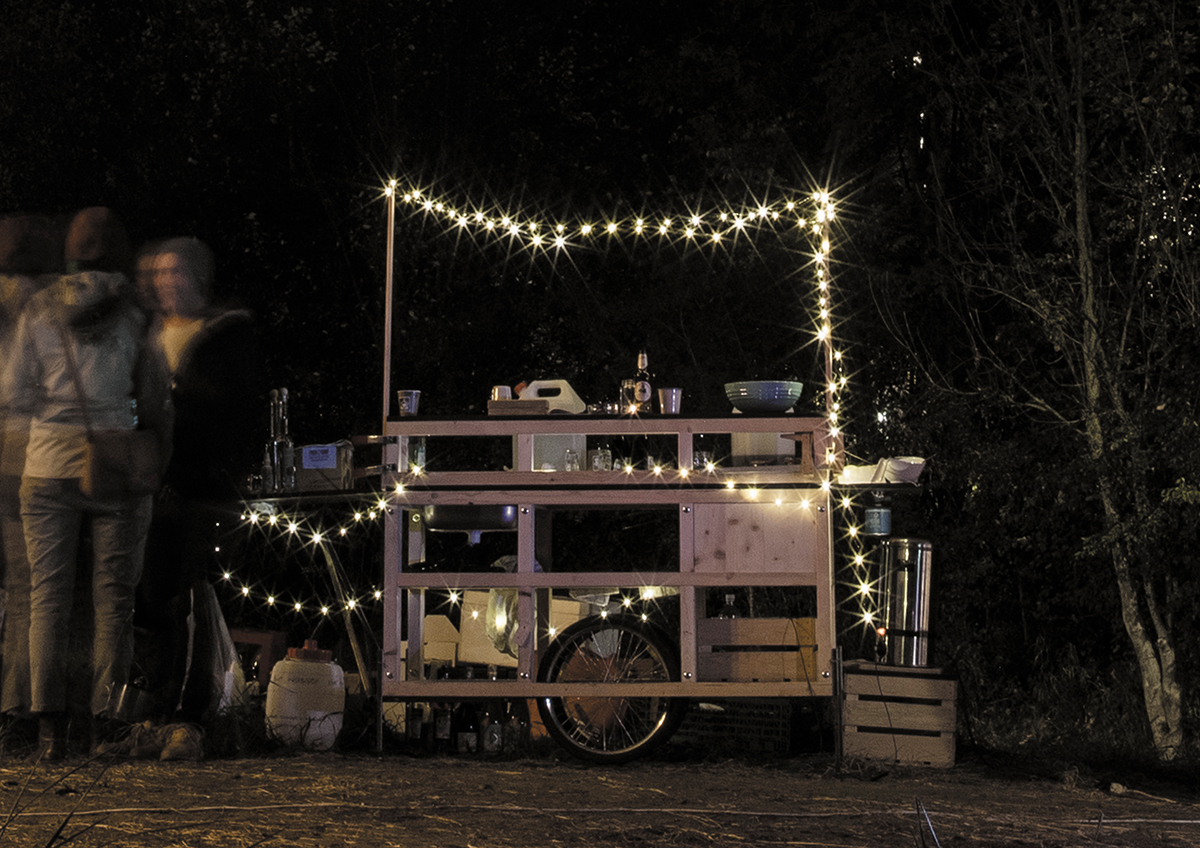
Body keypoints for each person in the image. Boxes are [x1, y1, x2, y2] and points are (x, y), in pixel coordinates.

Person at [4, 207, 170, 760]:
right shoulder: (136, 311)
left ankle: (50, 733)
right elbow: (153, 393)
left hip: (47, 464)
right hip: (114, 464)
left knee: (47, 598)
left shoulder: (39, 307)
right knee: (113, 599)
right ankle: (107, 724)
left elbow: (15, 391)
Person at [136, 237, 263, 722]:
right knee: (152, 597)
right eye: (159, 272)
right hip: (151, 486)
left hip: (203, 488)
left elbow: (235, 414)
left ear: (199, 278)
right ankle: (155, 703)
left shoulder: (227, 336)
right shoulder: (146, 333)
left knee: (193, 596)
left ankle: (190, 712)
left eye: (176, 271)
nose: (166, 282)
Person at [0, 214, 59, 753]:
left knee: (24, 587)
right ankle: (22, 709)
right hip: (30, 451)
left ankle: (18, 707)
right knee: (34, 588)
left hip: (14, 449)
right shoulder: (51, 303)